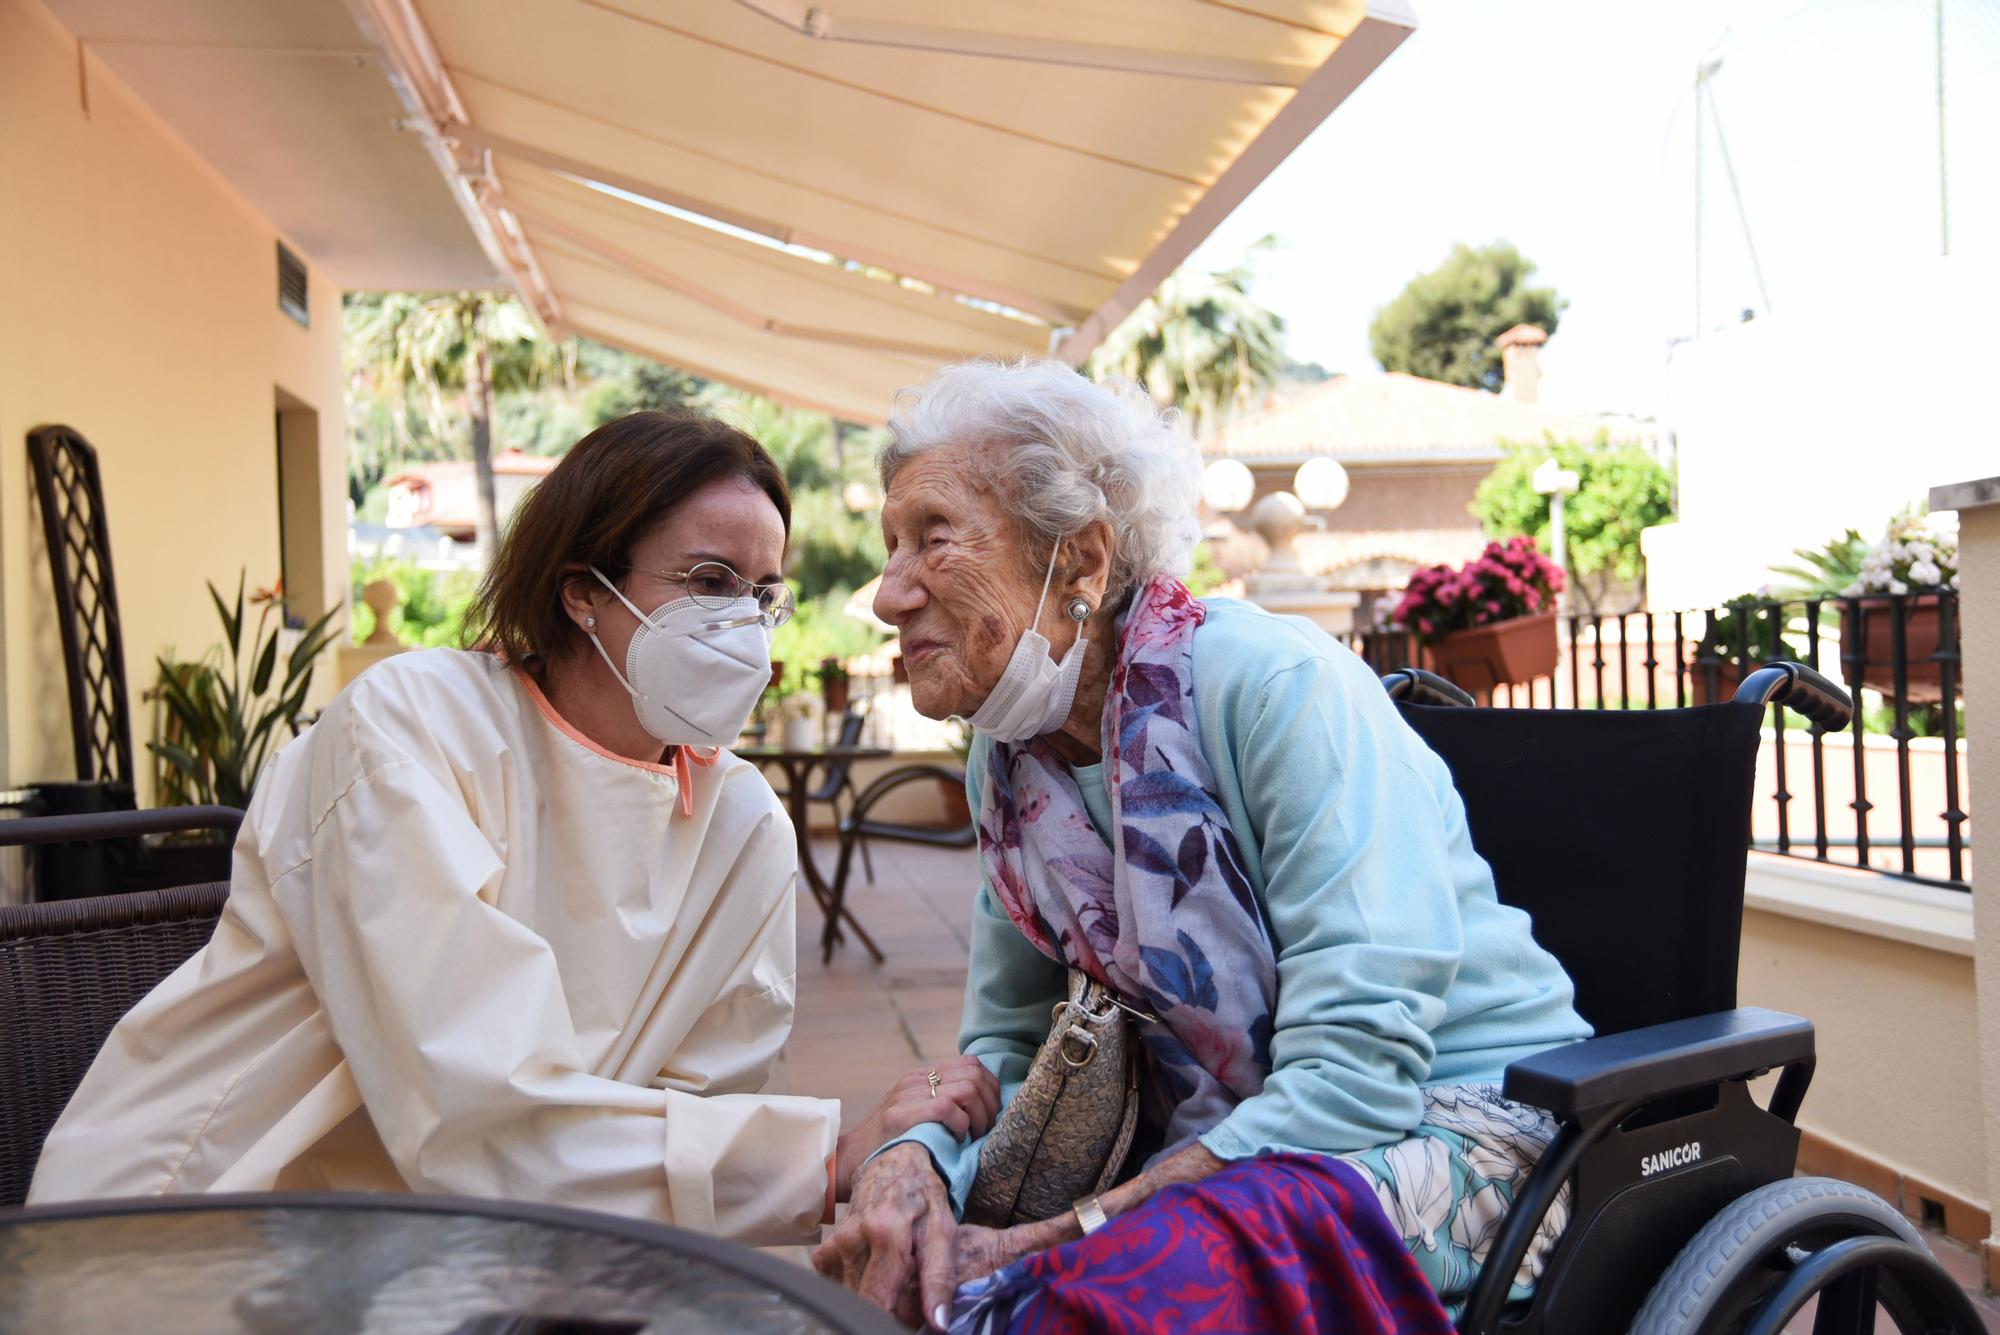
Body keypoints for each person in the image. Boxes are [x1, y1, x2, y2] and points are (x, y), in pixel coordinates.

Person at [31, 410, 997, 1244]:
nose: (744, 622)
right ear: (582, 589)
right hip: (219, 1223)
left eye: (763, 593)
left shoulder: (743, 822)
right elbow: (472, 1109)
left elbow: (696, 1117)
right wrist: (825, 1157)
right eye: (708, 580)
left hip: (500, 1251)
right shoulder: (412, 730)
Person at [815, 361, 1592, 1326]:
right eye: (892, 546)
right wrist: (914, 1164)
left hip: (1469, 1127)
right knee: (926, 1270)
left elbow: (1355, 1070)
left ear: (1083, 562)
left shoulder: (1270, 685)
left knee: (1093, 1291)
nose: (890, 594)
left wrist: (1058, 1234)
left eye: (933, 538)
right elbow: (1011, 1051)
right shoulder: (1010, 762)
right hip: (1234, 1139)